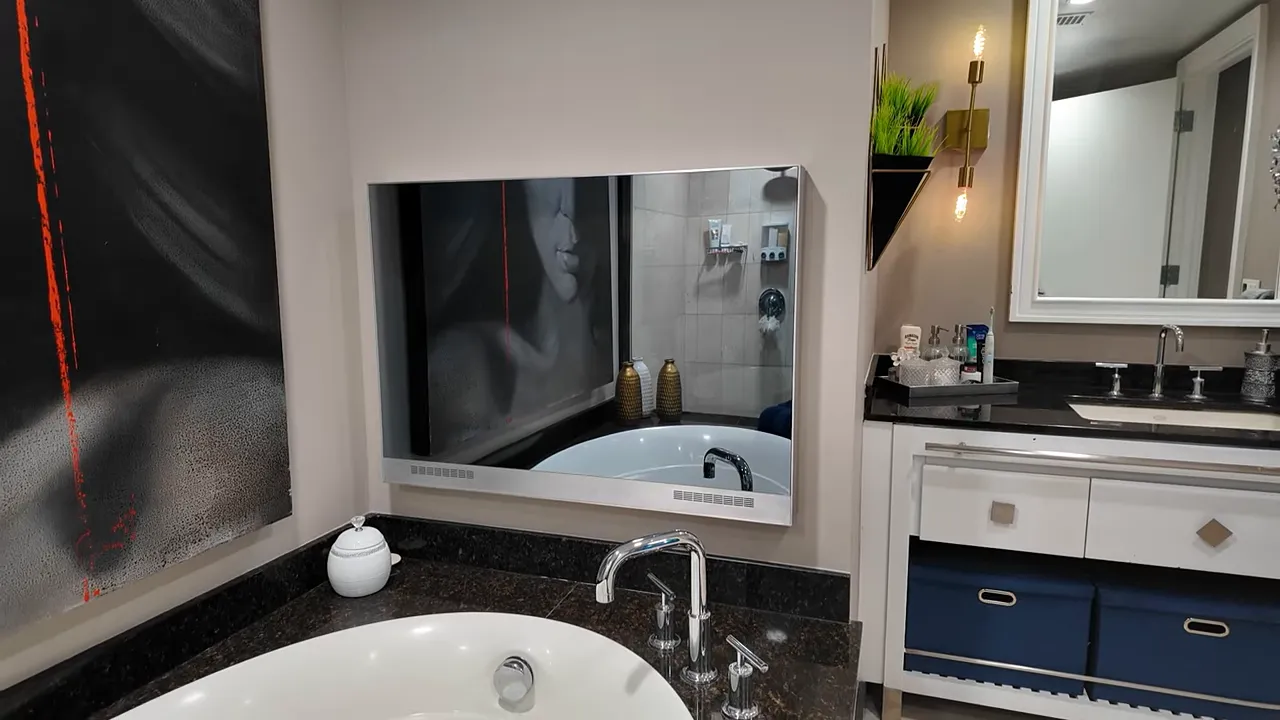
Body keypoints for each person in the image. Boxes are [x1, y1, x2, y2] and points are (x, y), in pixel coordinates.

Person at [420, 177, 613, 460]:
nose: (573, 233)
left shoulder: (599, 351)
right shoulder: (465, 361)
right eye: (556, 208)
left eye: (582, 206)